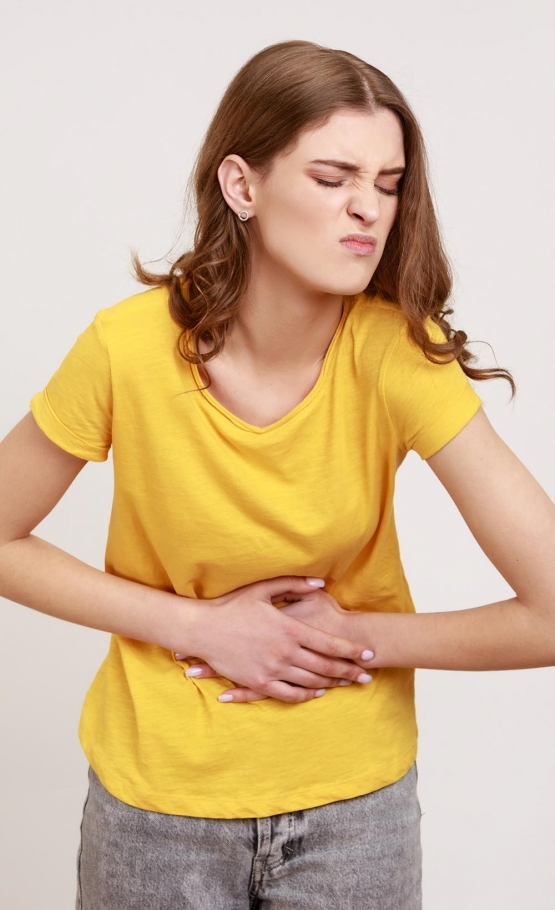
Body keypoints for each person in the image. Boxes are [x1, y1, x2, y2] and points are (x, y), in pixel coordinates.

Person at [1, 38, 554, 910]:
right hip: (155, 814)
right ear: (241, 186)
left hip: (353, 814)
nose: (367, 210)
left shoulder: (398, 359)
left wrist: (353, 639)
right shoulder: (126, 348)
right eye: (333, 178)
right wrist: (200, 627)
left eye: (388, 182)